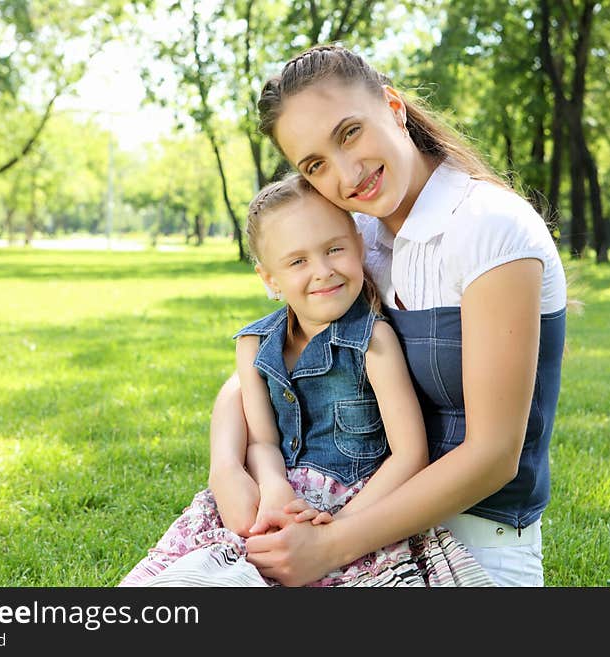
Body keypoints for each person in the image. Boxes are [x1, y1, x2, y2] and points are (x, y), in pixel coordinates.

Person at [207, 44, 568, 587]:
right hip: (346, 515)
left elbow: (496, 455)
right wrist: (229, 464)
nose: (347, 173)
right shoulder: (355, 245)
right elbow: (265, 367)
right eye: (315, 165)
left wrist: (328, 546)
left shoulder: (490, 228)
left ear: (394, 107)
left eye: (349, 132)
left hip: (476, 541)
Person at [119, 174, 494, 587]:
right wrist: (275, 488)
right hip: (273, 502)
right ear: (270, 279)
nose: (323, 271)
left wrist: (335, 529)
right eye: (298, 261)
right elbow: (261, 440)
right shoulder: (254, 344)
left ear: (358, 245)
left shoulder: (373, 341)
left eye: (335, 249)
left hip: (355, 511)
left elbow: (409, 455)